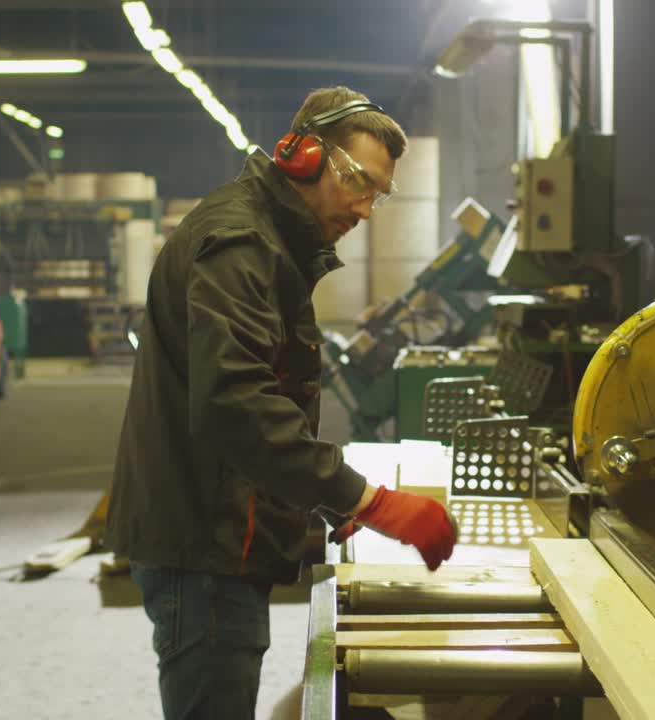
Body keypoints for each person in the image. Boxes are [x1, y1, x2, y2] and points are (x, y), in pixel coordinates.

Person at [106, 86, 458, 719]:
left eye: (379, 193)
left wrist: (324, 501)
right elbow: (236, 403)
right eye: (357, 181)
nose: (366, 208)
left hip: (216, 528)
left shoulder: (267, 239)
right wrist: (365, 499)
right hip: (204, 540)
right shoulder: (241, 244)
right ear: (301, 155)